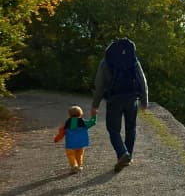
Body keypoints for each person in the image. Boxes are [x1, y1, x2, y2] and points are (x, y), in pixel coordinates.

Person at [91, 37, 148, 173]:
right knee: (131, 128)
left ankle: (122, 153)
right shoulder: (133, 61)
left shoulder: (106, 62)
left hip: (114, 99)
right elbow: (142, 80)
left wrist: (95, 105)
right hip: (132, 99)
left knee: (113, 129)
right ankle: (128, 155)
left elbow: (99, 85)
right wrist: (144, 100)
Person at [53, 105, 96, 174]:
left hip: (70, 144)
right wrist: (94, 116)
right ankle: (79, 166)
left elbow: (61, 132)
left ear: (69, 115)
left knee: (71, 155)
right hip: (81, 144)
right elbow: (92, 122)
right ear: (81, 114)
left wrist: (57, 139)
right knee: (79, 155)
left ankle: (74, 165)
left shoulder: (67, 123)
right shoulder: (83, 122)